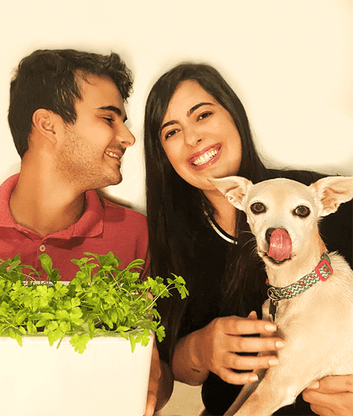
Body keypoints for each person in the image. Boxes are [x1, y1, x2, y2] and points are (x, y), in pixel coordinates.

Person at [0, 49, 151, 416]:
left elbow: (152, 389)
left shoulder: (134, 234)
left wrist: (145, 373)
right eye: (108, 119)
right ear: (48, 124)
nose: (128, 137)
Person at [144, 63, 353, 415]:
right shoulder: (172, 237)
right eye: (171, 132)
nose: (192, 138)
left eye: (203, 115)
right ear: (163, 155)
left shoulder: (320, 200)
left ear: (234, 115)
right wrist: (200, 349)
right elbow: (169, 369)